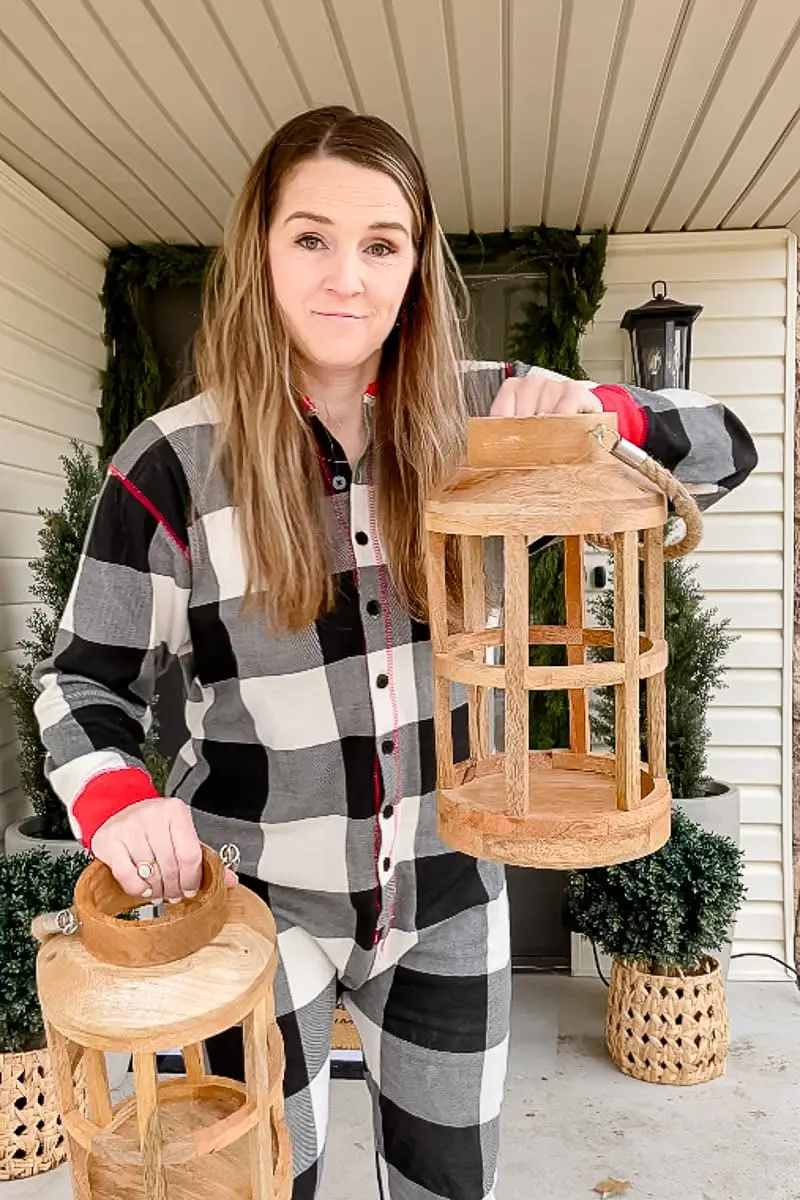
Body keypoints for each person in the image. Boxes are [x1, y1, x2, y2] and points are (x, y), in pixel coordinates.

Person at [34, 106, 757, 1200]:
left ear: (416, 266)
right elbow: (83, 676)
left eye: (381, 243)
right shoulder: (175, 459)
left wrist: (594, 411)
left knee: (447, 1179)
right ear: (260, 251)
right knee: (264, 1181)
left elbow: (726, 448)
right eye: (310, 237)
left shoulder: (486, 417)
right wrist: (120, 800)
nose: (346, 277)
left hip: (446, 891)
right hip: (251, 902)